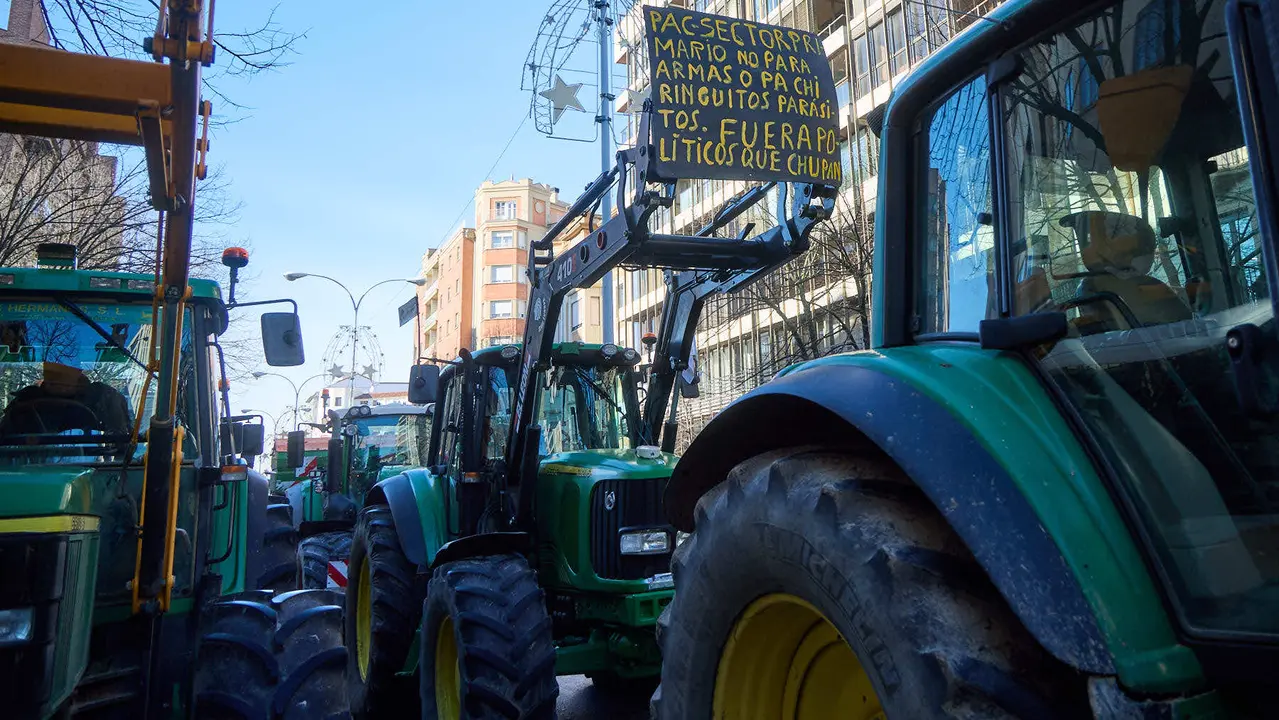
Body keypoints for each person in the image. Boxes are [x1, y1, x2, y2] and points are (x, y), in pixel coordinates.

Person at [0, 362, 132, 436]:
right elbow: (4, 439)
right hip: (29, 467)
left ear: (78, 372)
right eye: (51, 371)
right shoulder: (26, 399)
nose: (57, 378)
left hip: (99, 466)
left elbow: (122, 440)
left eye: (63, 372)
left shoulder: (103, 397)